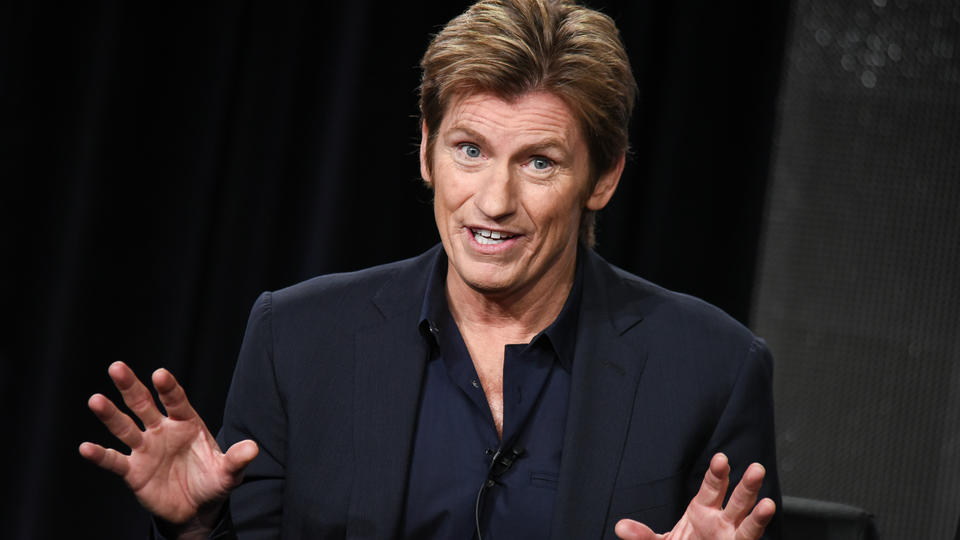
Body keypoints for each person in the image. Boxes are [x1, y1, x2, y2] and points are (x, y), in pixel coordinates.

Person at [80, 0, 781, 538]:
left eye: (539, 162)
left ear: (603, 178)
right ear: (426, 151)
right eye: (469, 150)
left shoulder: (712, 370)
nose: (494, 201)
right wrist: (197, 530)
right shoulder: (296, 339)